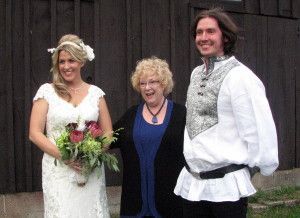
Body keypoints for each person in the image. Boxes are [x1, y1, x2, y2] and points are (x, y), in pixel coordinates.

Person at [174, 8, 279, 218]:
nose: (203, 37)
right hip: (193, 186)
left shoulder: (240, 77)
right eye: (199, 32)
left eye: (210, 31)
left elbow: (256, 127)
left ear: (225, 36)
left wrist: (257, 166)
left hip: (226, 190)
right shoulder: (196, 74)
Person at [29, 34, 111, 217]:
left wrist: (93, 153)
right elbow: (35, 133)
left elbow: (108, 132)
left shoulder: (96, 94)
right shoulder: (46, 92)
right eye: (62, 61)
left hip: (90, 171)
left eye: (71, 60)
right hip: (59, 170)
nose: (66, 66)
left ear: (81, 61)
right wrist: (65, 156)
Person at [111, 56, 186, 217]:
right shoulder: (130, 116)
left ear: (164, 83)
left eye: (153, 82)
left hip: (171, 204)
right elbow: (107, 139)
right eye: (142, 83)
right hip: (134, 203)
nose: (147, 88)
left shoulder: (182, 115)